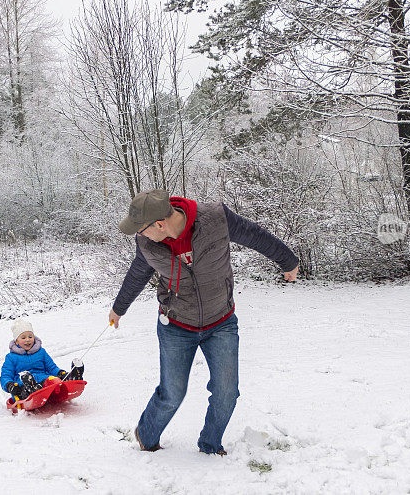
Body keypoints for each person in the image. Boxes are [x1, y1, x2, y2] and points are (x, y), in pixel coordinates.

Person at [109, 189, 299, 455]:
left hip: (220, 321)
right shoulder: (147, 243)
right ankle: (147, 434)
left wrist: (288, 261)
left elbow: (257, 237)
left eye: (141, 229)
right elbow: (138, 272)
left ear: (160, 223)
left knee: (226, 393)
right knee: (172, 393)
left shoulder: (216, 219)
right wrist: (119, 308)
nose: (139, 235)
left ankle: (210, 445)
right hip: (175, 324)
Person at [0, 320, 84, 402]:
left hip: (44, 380)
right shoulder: (11, 357)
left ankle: (72, 378)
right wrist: (9, 385)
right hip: (22, 386)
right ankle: (32, 389)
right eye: (23, 337)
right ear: (17, 342)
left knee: (53, 380)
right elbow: (5, 376)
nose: (27, 340)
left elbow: (51, 367)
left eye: (30, 336)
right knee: (26, 381)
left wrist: (60, 373)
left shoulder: (41, 352)